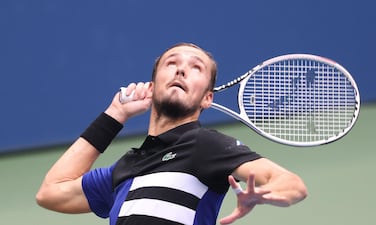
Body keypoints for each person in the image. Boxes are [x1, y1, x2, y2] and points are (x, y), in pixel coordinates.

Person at [36, 42, 307, 225]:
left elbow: (291, 183)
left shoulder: (206, 146)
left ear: (207, 98)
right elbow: (51, 192)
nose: (181, 69)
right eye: (172, 63)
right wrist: (114, 114)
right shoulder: (125, 169)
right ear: (152, 87)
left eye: (195, 68)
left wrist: (266, 193)